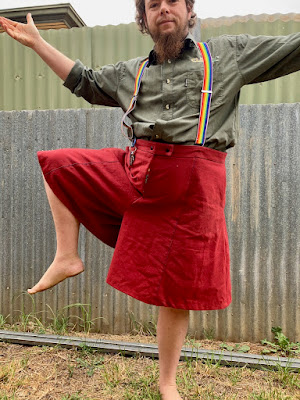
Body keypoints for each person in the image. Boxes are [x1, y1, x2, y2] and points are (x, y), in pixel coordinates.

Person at [0, 1, 299, 399]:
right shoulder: (132, 72)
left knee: (175, 292)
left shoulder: (228, 54)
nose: (163, 9)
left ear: (188, 10)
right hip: (139, 171)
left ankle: (167, 383)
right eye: (152, 4)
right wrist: (38, 43)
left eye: (172, 1)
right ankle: (66, 256)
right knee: (59, 166)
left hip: (194, 183)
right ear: (144, 18)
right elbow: (83, 80)